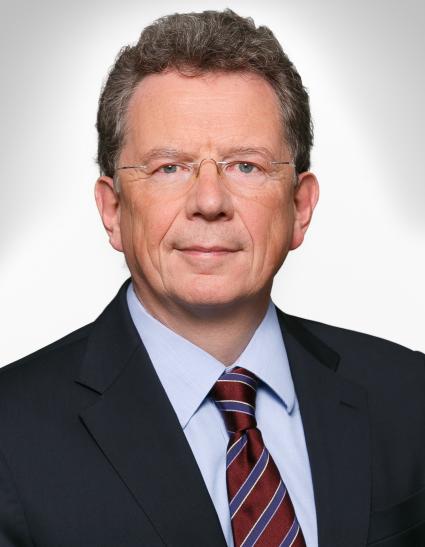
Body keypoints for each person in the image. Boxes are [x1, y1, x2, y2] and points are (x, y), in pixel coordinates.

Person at [0, 9, 424, 547]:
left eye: (246, 165)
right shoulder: (10, 434)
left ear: (300, 207)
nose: (209, 201)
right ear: (112, 209)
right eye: (169, 167)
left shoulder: (410, 397)